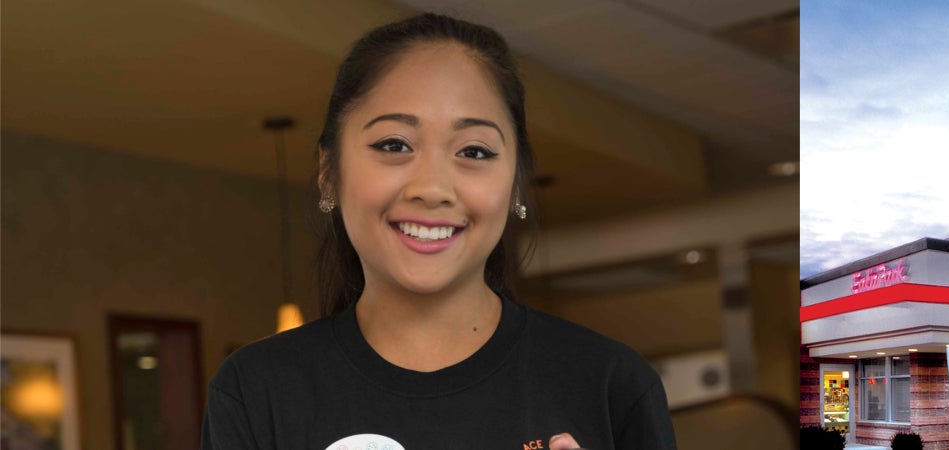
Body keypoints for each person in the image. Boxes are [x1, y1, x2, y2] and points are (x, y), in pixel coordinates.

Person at [201, 13, 676, 449]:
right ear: (329, 172)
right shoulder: (256, 389)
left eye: (473, 152)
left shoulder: (611, 385)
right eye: (393, 144)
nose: (432, 188)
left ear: (515, 184)